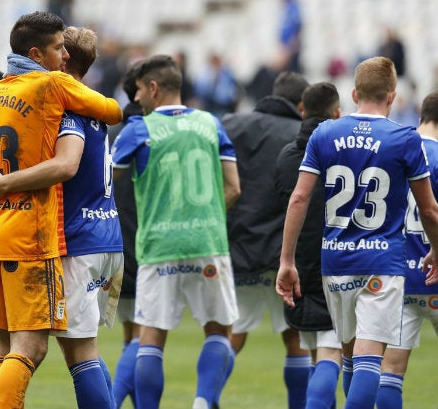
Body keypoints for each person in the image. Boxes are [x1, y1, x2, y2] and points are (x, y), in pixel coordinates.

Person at [0, 11, 123, 409]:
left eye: (65, 48)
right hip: (41, 235)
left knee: (8, 350)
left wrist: (3, 182)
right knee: (49, 349)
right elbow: (111, 112)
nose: (62, 56)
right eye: (57, 49)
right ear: (40, 54)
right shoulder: (56, 91)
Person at [276, 56, 438, 409]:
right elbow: (428, 209)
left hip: (335, 261)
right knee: (367, 359)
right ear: (393, 96)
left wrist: (286, 259)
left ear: (353, 93)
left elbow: (299, 197)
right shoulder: (403, 138)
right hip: (381, 259)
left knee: (348, 355)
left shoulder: (325, 133)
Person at [111, 54, 241, 409]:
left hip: (159, 244)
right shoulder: (211, 124)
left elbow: (105, 182)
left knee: (151, 337)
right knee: (218, 330)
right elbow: (234, 188)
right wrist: (206, 217)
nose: (135, 99)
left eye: (137, 91)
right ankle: (203, 402)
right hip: (207, 240)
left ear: (152, 88)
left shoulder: (138, 129)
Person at [221, 71, 311, 409]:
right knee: (296, 337)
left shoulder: (231, 124)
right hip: (284, 258)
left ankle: (204, 399)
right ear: (301, 105)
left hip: (238, 248)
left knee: (232, 335)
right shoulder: (301, 135)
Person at [275, 82, 342, 409]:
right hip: (337, 259)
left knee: (317, 353)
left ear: (303, 111)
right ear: (338, 112)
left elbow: (285, 204)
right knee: (333, 354)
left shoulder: (287, 155)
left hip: (298, 262)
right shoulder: (344, 153)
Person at [375, 90, 438, 409]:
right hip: (434, 270)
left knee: (391, 370)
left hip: (398, 277)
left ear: (421, 116)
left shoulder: (395, 152)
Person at [108, 62, 143, 409]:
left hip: (116, 244)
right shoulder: (149, 132)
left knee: (131, 330)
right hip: (147, 244)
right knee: (146, 335)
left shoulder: (115, 136)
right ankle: (113, 401)